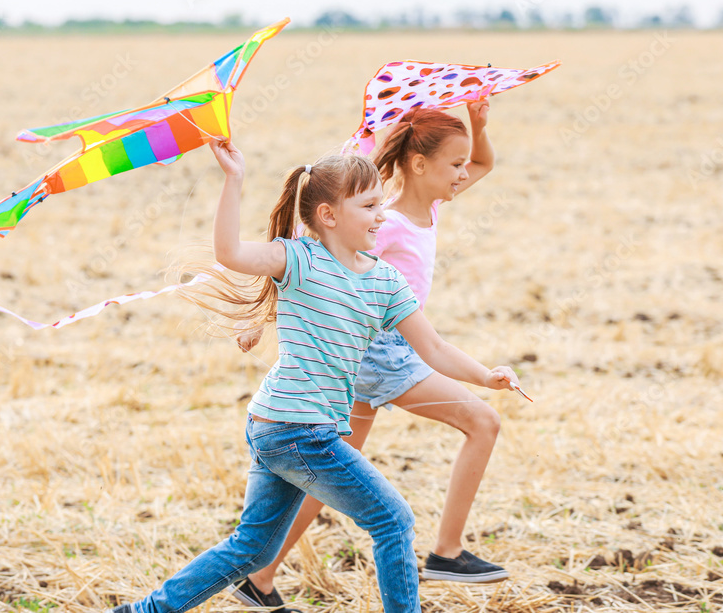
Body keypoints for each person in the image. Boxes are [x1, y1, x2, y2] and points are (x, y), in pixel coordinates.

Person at [110, 137, 523, 613]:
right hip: (295, 428)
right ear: (329, 215)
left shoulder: (385, 280)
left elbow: (433, 347)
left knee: (253, 549)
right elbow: (228, 252)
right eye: (369, 205)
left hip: (287, 427)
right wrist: (234, 179)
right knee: (393, 519)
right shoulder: (298, 259)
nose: (381, 215)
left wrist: (485, 376)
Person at [234, 102, 510, 609]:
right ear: (420, 165)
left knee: (329, 473)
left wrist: (480, 126)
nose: (464, 173)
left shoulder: (430, 206)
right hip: (381, 355)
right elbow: (323, 274)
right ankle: (447, 552)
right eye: (455, 164)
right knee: (483, 422)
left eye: (463, 164)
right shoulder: (388, 226)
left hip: (368, 356)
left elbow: (485, 164)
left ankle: (260, 576)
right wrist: (259, 319)